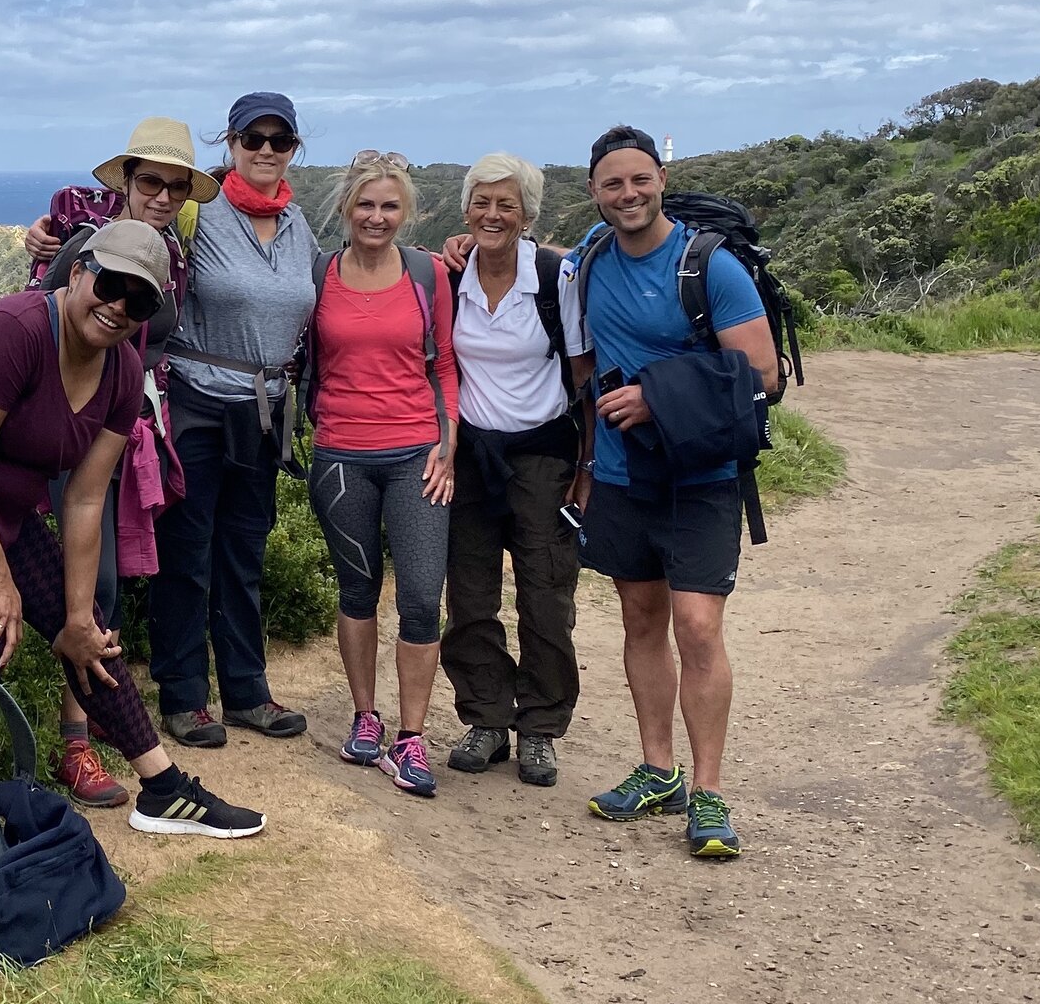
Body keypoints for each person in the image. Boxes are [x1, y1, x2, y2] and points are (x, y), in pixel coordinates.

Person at [0, 218, 265, 839]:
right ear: (78, 272)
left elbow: (86, 502)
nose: (119, 306)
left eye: (140, 299)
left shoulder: (121, 374)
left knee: (90, 635)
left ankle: (164, 790)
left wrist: (74, 620)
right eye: (111, 284)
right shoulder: (11, 332)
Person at [571, 124, 778, 858]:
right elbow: (530, 269)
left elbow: (762, 373)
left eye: (638, 179)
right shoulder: (587, 261)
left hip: (703, 475)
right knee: (640, 618)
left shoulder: (710, 267)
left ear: (661, 177)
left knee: (696, 626)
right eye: (611, 184)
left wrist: (657, 397)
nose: (627, 194)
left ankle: (710, 791)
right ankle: (659, 770)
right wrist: (465, 248)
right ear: (592, 193)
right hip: (626, 477)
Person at [26, 117, 215, 809]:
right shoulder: (83, 230)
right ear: (128, 180)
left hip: (123, 426)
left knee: (103, 582)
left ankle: (87, 724)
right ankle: (74, 742)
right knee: (81, 577)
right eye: (151, 181)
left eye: (175, 186)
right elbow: (45, 299)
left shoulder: (174, 254)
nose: (163, 195)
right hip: (64, 423)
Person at [149, 93, 316, 748]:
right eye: (255, 137)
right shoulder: (196, 211)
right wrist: (48, 231)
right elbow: (127, 219)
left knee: (244, 551)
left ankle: (247, 690)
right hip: (195, 401)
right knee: (186, 555)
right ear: (232, 142)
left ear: (294, 148)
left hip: (263, 412)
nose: (267, 149)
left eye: (280, 139)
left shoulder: (300, 225)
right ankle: (184, 694)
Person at [304, 151, 458, 798]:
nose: (376, 215)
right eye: (365, 204)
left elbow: (445, 364)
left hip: (417, 455)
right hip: (341, 455)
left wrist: (449, 446)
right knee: (357, 590)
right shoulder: (321, 274)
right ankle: (366, 716)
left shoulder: (427, 272)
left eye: (389, 205)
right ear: (346, 208)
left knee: (422, 596)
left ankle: (412, 734)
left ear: (407, 212)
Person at [432, 153, 584, 788]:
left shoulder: (557, 279)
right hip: (471, 458)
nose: (493, 214)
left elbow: (584, 374)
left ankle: (541, 727)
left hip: (543, 454)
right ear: (466, 208)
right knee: (469, 595)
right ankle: (488, 717)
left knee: (545, 594)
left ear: (528, 214)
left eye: (507, 204)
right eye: (482, 202)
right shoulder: (448, 276)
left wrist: (588, 471)